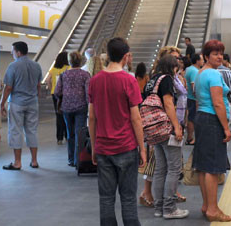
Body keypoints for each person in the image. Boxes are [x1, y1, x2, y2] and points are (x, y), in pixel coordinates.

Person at [88, 37, 147, 226]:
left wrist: (94, 147)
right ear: (125, 56)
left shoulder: (95, 81)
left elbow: (91, 117)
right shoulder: (129, 81)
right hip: (126, 147)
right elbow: (136, 118)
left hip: (104, 148)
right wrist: (142, 148)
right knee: (128, 199)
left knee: (106, 199)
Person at [192, 39, 231, 222]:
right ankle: (213, 209)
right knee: (213, 168)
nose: (219, 57)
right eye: (215, 53)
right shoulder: (215, 75)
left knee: (203, 166)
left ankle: (206, 205)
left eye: (221, 53)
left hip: (201, 118)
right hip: (212, 121)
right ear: (206, 56)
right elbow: (218, 103)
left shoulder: (201, 73)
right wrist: (226, 127)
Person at [143, 55, 189, 219]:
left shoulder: (151, 81)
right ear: (172, 67)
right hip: (165, 128)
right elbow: (168, 104)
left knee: (160, 169)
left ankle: (159, 207)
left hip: (152, 131)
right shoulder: (167, 79)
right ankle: (169, 208)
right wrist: (177, 127)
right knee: (174, 169)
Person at [0, 41, 43, 170]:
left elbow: (8, 87)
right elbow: (38, 85)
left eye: (12, 51)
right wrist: (36, 97)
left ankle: (17, 162)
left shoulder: (13, 66)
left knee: (16, 131)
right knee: (32, 131)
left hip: (17, 103)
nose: (11, 53)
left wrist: (2, 104)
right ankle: (34, 161)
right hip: (33, 103)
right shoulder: (36, 66)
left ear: (18, 52)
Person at [54, 51, 91, 167]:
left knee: (70, 134)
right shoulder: (85, 75)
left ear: (69, 61)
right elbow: (88, 93)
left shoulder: (63, 75)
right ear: (80, 61)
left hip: (67, 108)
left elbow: (57, 91)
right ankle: (78, 159)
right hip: (81, 107)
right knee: (80, 133)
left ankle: (70, 159)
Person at [45, 51, 70, 145]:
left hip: (55, 94)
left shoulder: (54, 68)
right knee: (66, 115)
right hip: (65, 94)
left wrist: (52, 89)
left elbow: (48, 80)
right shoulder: (68, 68)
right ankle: (67, 135)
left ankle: (59, 138)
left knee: (58, 115)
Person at [184, 53, 204, 144]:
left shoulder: (188, 69)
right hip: (193, 98)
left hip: (188, 97)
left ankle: (190, 137)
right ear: (197, 61)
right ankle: (190, 138)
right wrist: (198, 99)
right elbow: (194, 86)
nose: (203, 61)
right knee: (192, 118)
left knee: (190, 117)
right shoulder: (194, 71)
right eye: (202, 59)